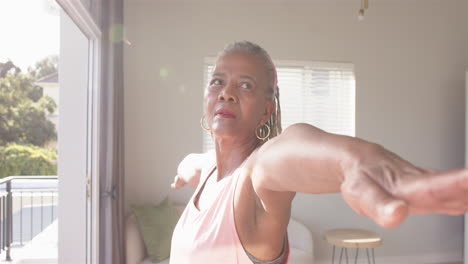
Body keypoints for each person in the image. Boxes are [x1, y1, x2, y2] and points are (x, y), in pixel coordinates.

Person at [169, 40, 468, 264]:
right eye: (217, 81)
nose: (226, 92)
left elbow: (284, 151)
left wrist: (350, 162)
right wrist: (182, 174)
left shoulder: (254, 177)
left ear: (266, 111)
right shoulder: (205, 168)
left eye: (245, 85)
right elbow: (190, 164)